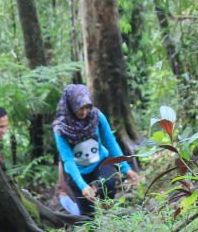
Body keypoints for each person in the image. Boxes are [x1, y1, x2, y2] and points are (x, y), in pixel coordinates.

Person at [52, 84, 139, 216]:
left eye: (87, 107)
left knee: (108, 184)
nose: (84, 112)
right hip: (76, 171)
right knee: (88, 215)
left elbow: (110, 143)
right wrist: (82, 186)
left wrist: (126, 168)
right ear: (70, 106)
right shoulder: (61, 128)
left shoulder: (97, 116)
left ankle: (108, 214)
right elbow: (68, 160)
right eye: (80, 108)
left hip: (100, 163)